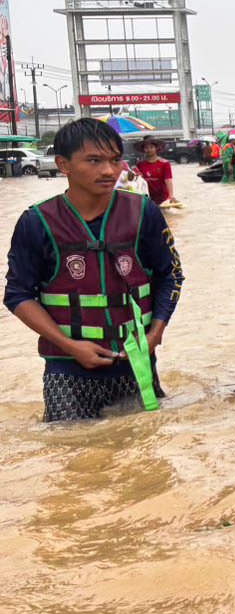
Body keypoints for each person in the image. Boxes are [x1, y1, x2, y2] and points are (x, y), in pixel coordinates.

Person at [5, 118, 185, 421]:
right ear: (64, 164)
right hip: (68, 371)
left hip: (136, 363)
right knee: (75, 455)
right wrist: (70, 346)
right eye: (94, 160)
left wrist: (156, 333)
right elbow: (18, 295)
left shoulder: (144, 213)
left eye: (116, 160)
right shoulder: (36, 222)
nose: (109, 171)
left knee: (147, 452)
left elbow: (172, 275)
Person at [133, 136, 176, 205]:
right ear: (143, 150)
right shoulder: (140, 164)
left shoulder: (164, 163)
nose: (149, 149)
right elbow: (138, 181)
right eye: (146, 148)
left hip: (163, 198)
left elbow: (168, 180)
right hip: (146, 198)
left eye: (151, 147)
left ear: (156, 148)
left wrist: (171, 195)